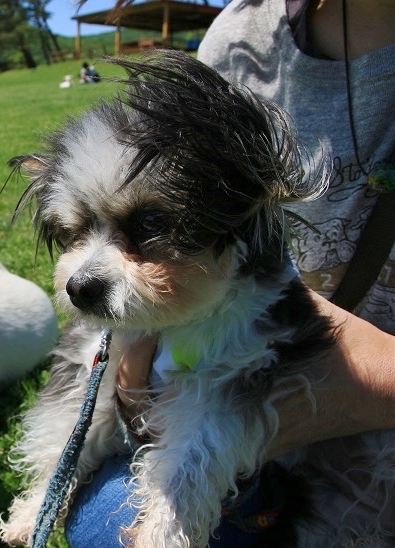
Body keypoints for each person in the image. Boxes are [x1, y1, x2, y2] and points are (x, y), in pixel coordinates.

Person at [64, 0, 395, 545]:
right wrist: (136, 390)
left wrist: (366, 381)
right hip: (248, 452)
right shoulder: (239, 41)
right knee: (110, 529)